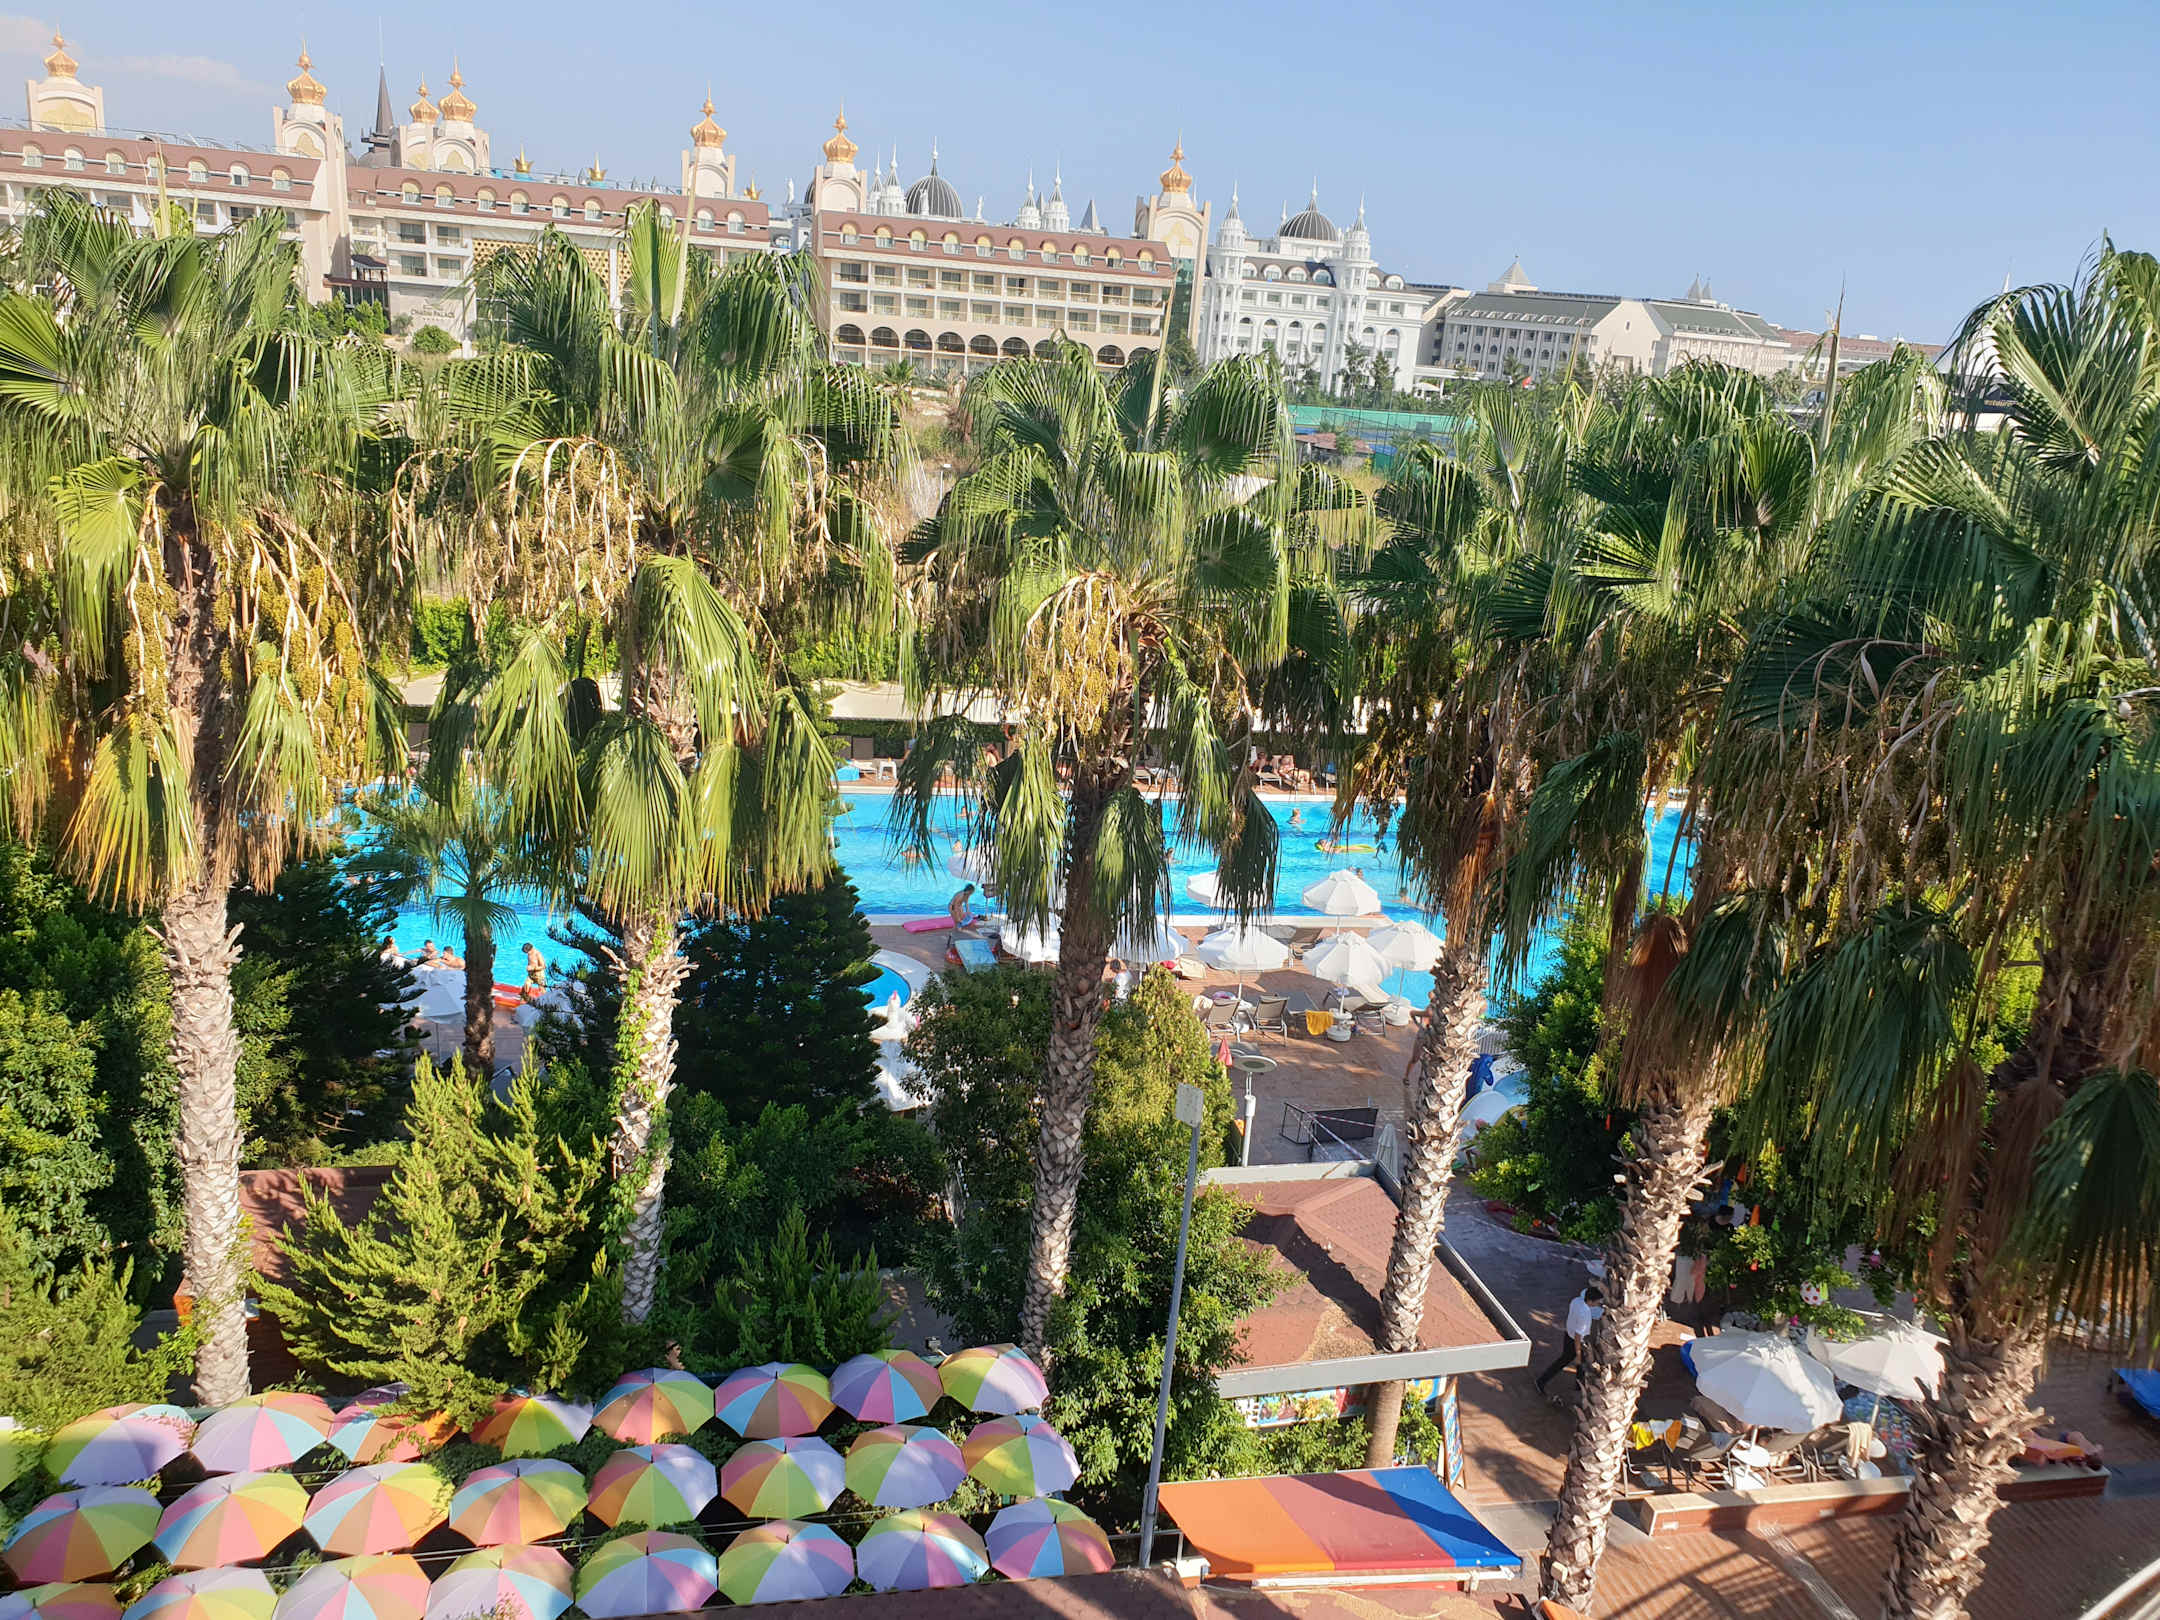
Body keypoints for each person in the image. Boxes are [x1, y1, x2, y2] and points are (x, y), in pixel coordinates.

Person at [1534, 1285, 1605, 1399]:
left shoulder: (1576, 1301)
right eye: (1597, 1302)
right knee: (1567, 1362)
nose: (1598, 1304)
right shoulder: (1584, 1314)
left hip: (1568, 1335)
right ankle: (1541, 1381)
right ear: (1590, 1301)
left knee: (1579, 1364)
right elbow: (1578, 1336)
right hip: (1575, 1341)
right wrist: (1578, 1354)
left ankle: (1579, 1385)